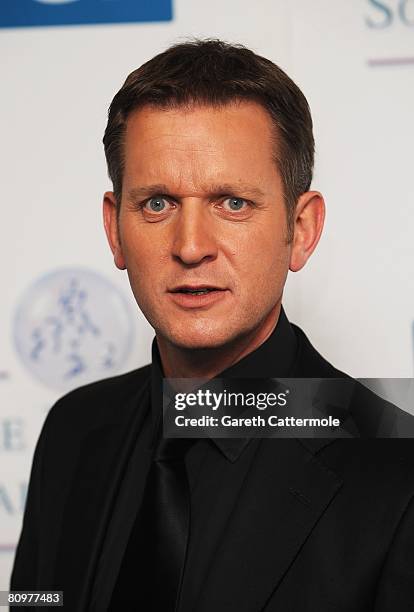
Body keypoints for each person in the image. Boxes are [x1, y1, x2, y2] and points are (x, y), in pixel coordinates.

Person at [11, 39, 414, 611]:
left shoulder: (396, 471)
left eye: (232, 203)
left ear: (301, 230)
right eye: (157, 204)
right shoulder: (74, 432)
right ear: (114, 228)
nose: (191, 246)